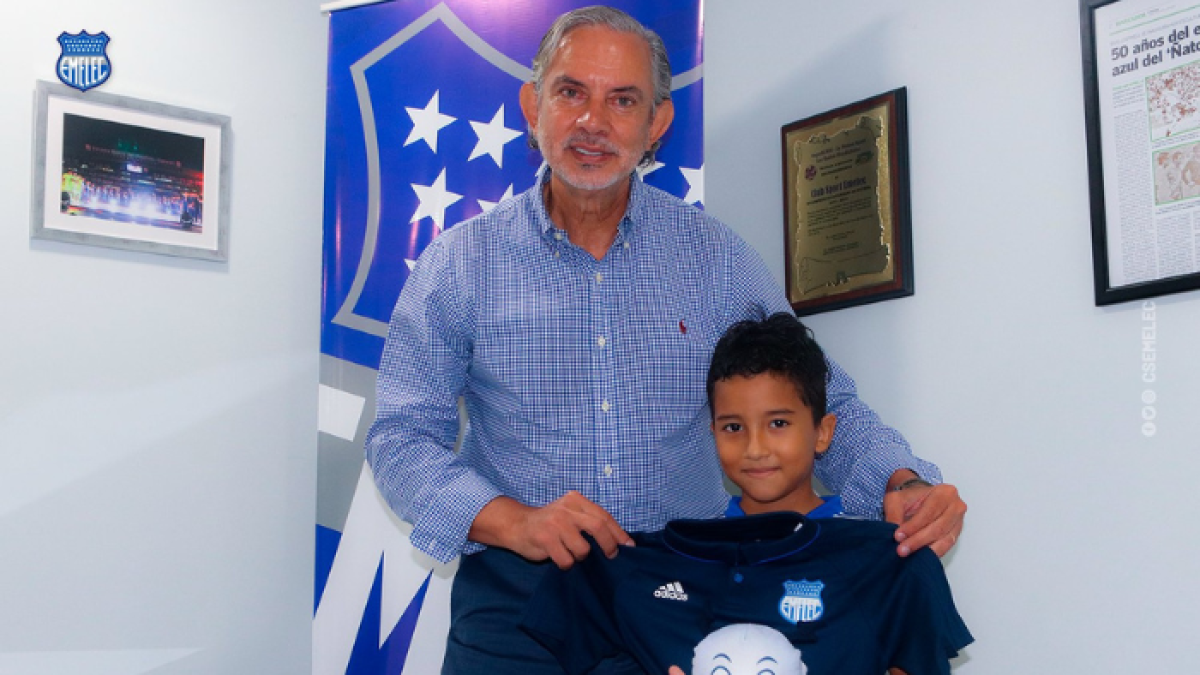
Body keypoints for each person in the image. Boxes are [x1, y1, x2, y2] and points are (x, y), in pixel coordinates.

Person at [364, 6, 965, 674]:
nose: (594, 121)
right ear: (533, 105)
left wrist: (901, 479)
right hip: (517, 605)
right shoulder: (458, 265)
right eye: (571, 92)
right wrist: (513, 520)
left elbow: (826, 399)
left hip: (682, 603)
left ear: (657, 124)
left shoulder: (717, 260)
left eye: (623, 100)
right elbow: (402, 437)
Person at [520, 313, 972, 675]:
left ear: (823, 432)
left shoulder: (886, 561)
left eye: (778, 423)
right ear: (712, 432)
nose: (755, 448)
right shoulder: (647, 567)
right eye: (734, 427)